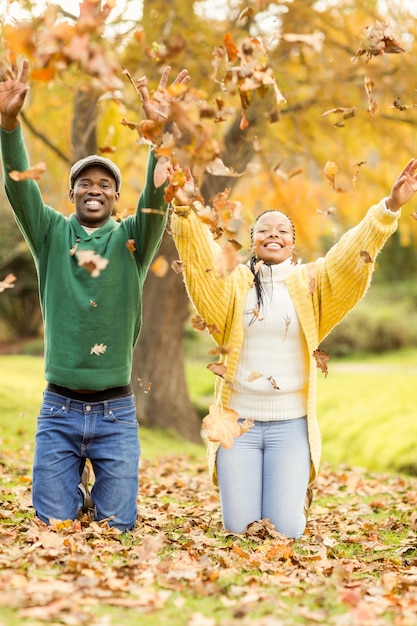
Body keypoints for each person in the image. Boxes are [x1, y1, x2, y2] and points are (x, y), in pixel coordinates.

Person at [170, 161, 417, 538]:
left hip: (291, 425)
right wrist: (185, 210)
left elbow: (349, 258)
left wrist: (389, 208)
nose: (274, 235)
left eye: (283, 230)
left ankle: (292, 496)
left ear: (292, 242)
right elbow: (200, 263)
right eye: (264, 230)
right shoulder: (234, 284)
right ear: (252, 240)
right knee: (239, 528)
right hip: (239, 425)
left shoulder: (310, 283)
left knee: (285, 530)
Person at [0, 59, 189, 531]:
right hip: (59, 409)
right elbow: (21, 189)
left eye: (105, 184)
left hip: (116, 411)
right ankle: (69, 491)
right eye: (85, 183)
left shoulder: (132, 240)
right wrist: (8, 125)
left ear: (116, 199)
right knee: (53, 523)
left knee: (117, 526)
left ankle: (96, 495)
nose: (95, 189)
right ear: (71, 194)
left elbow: (158, 194)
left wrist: (159, 133)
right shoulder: (50, 235)